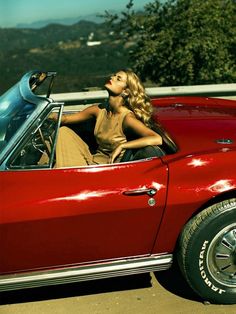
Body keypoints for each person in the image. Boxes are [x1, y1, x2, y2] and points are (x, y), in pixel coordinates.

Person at [54, 69, 162, 167]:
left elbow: (157, 138)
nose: (112, 78)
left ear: (126, 92)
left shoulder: (127, 118)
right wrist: (45, 114)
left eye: (118, 79)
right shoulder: (99, 110)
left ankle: (69, 180)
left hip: (107, 168)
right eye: (114, 76)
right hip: (92, 160)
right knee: (63, 132)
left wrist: (123, 146)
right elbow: (65, 119)